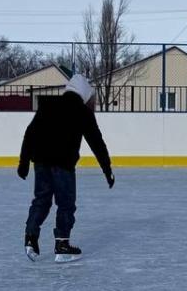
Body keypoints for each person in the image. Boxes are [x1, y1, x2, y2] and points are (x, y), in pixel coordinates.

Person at [18, 74, 115, 263]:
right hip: (63, 165)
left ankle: (30, 238)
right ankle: (62, 245)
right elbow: (97, 142)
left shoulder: (47, 105)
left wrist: (23, 163)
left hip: (41, 163)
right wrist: (107, 169)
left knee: (41, 201)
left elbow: (30, 134)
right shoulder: (83, 112)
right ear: (84, 94)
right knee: (66, 204)